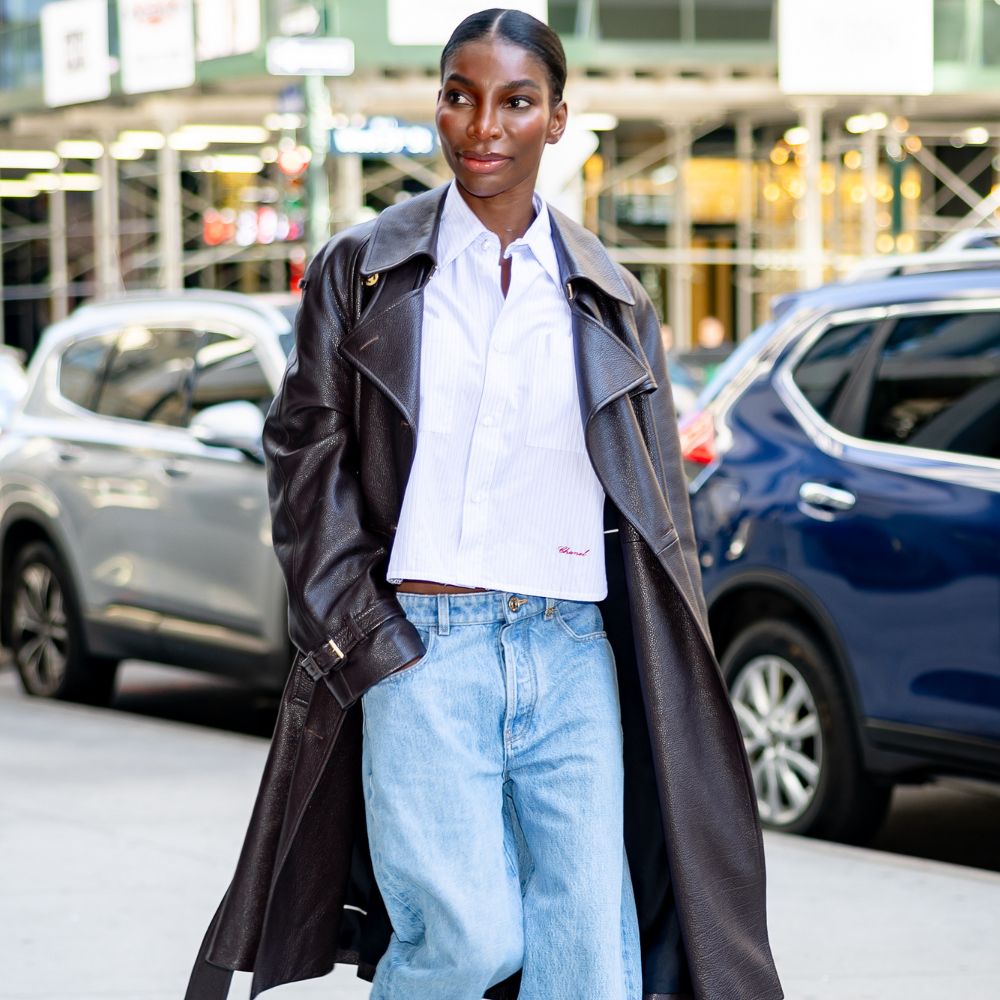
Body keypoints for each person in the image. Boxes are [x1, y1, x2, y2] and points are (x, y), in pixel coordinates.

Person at [185, 9, 782, 1000]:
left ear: (555, 119)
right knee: (461, 940)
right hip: (425, 644)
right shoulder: (364, 269)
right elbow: (302, 452)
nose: (482, 125)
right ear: (437, 105)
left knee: (590, 967)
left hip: (569, 651)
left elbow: (654, 503)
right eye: (459, 96)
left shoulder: (609, 296)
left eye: (515, 101)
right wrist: (360, 629)